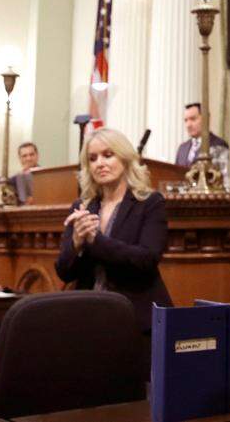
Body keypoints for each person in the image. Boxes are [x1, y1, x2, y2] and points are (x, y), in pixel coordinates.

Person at [55, 127, 172, 380]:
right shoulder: (83, 206)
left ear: (125, 157)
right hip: (89, 318)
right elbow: (63, 270)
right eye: (93, 158)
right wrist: (76, 242)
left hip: (136, 319)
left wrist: (95, 241)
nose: (100, 163)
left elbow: (145, 259)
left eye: (108, 155)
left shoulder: (150, 203)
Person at [175, 103, 229, 183]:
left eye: (193, 119)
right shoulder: (182, 148)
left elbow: (222, 178)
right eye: (186, 120)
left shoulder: (218, 144)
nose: (188, 125)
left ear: (206, 119)